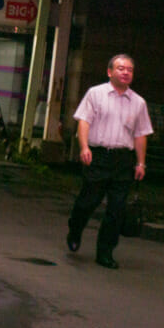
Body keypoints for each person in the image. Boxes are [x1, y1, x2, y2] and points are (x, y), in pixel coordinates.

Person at [66, 53, 153, 269]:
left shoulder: (138, 102)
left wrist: (140, 163)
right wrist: (84, 147)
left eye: (129, 70)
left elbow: (141, 134)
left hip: (123, 160)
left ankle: (105, 252)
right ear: (109, 71)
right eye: (121, 68)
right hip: (98, 156)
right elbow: (84, 122)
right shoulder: (95, 94)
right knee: (88, 202)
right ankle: (75, 229)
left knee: (117, 209)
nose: (125, 72)